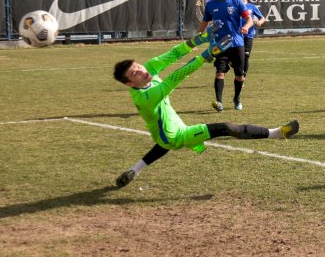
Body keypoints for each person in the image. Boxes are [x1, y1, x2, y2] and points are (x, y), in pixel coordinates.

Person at [112, 29, 299, 188]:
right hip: (176, 136)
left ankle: (133, 171)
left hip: (166, 131)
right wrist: (204, 56)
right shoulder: (145, 98)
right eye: (135, 73)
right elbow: (175, 78)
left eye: (139, 66)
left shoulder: (149, 70)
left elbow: (173, 55)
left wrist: (198, 39)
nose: (142, 71)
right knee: (224, 127)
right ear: (129, 83)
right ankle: (276, 133)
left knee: (161, 142)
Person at [197, 0, 253, 112]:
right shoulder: (211, 5)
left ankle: (237, 99)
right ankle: (219, 102)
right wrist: (195, 40)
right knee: (219, 73)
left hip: (237, 43)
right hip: (220, 45)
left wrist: (246, 26)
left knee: (240, 75)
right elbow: (203, 24)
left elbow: (249, 19)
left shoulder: (237, 2)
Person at [234, 0, 267, 110]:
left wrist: (260, 22)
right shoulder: (235, 7)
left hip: (248, 35)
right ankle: (236, 68)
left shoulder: (252, 7)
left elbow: (262, 18)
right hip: (236, 36)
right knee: (237, 58)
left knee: (246, 56)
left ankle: (243, 77)